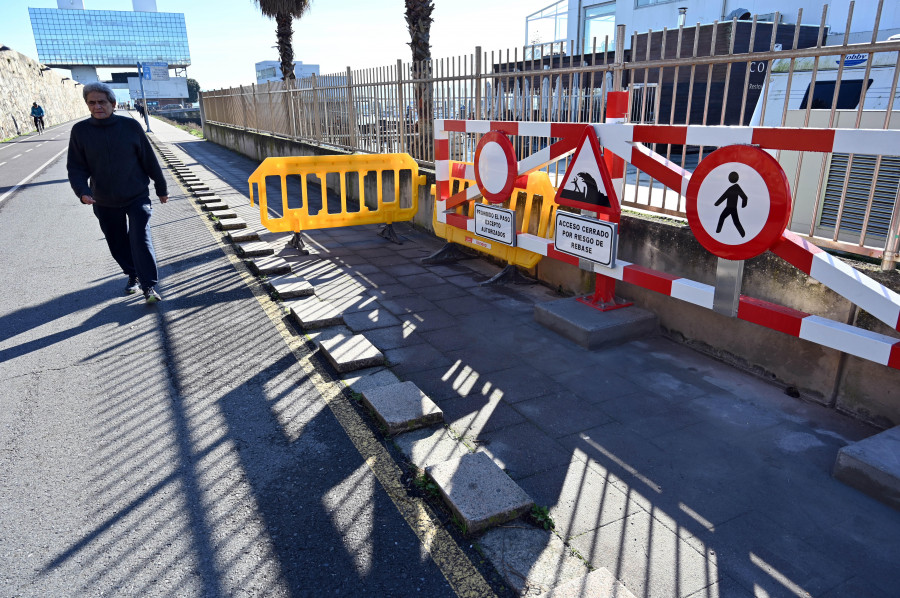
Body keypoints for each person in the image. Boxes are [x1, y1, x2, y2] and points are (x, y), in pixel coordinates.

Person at [67, 82, 168, 303]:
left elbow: (149, 160)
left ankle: (149, 286)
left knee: (139, 237)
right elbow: (76, 167)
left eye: (102, 102)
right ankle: (132, 274)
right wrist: (82, 191)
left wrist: (161, 187)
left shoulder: (130, 127)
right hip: (103, 199)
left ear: (112, 104)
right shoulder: (80, 131)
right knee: (117, 243)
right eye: (92, 102)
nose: (97, 106)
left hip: (136, 195)